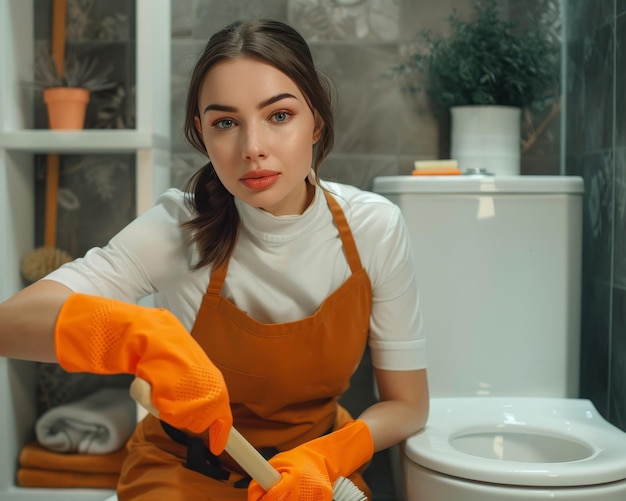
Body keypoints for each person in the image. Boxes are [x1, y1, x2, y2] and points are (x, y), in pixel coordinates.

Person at [0, 18, 429, 501]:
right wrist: (131, 336)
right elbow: (9, 324)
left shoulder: (375, 228)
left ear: (317, 122)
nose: (252, 149)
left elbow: (408, 405)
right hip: (184, 472)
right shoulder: (179, 229)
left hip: (313, 475)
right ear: (203, 134)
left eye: (279, 115)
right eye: (226, 123)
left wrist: (328, 456)